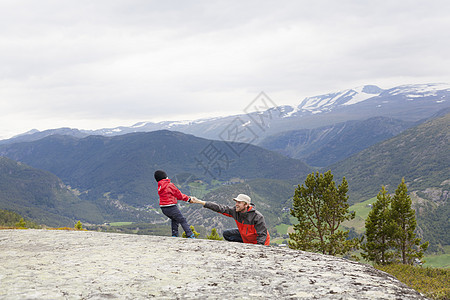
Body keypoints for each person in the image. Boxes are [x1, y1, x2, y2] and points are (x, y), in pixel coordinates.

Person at [190, 194, 270, 245]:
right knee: (227, 234)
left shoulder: (257, 217)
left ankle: (247, 246)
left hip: (256, 240)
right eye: (236, 202)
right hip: (245, 236)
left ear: (246, 205)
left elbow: (262, 235)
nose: (236, 205)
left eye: (239, 203)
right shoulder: (235, 211)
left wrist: (258, 249)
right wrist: (200, 202)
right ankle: (243, 246)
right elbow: (220, 208)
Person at [154, 170, 196, 238]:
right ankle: (190, 235)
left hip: (163, 208)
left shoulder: (160, 187)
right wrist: (188, 199)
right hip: (171, 207)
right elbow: (179, 195)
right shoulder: (169, 185)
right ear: (166, 177)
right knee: (182, 220)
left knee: (175, 219)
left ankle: (174, 235)